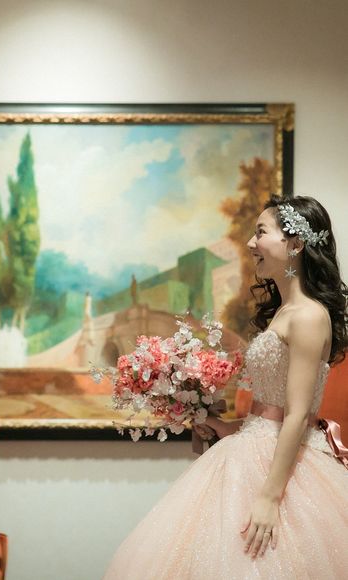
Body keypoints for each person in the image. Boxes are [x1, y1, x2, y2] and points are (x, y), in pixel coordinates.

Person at [104, 195, 348, 579]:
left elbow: (298, 414)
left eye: (261, 233)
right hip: (256, 448)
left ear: (295, 244)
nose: (251, 244)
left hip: (281, 468)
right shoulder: (285, 312)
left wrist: (270, 497)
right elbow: (270, 413)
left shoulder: (308, 315)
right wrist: (222, 424)